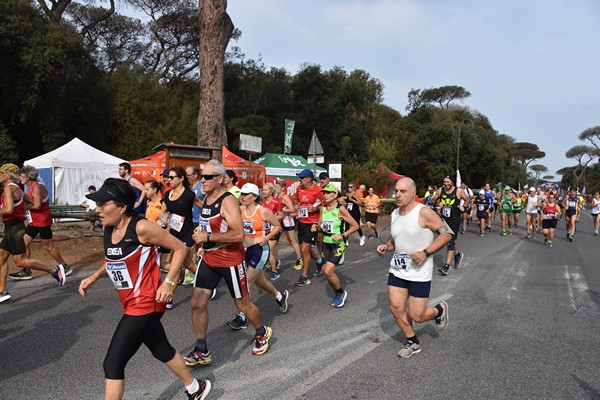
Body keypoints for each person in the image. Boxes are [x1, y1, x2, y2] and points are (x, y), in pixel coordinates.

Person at [78, 178, 211, 400]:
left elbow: (179, 248)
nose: (98, 210)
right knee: (161, 349)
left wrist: (169, 282)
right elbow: (112, 259)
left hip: (146, 302)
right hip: (131, 302)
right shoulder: (109, 229)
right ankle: (195, 388)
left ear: (122, 207)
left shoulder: (141, 227)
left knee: (112, 364)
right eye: (98, 205)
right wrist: (92, 277)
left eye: (103, 205)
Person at [184, 160, 273, 366]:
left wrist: (207, 238)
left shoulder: (228, 201)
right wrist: (201, 240)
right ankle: (201, 350)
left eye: (207, 177)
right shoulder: (207, 198)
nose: (202, 180)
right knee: (197, 303)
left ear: (220, 179)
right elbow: (209, 226)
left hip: (230, 260)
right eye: (201, 176)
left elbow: (238, 234)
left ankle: (261, 332)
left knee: (242, 304)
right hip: (209, 258)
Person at [376, 177, 452, 358]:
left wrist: (426, 252)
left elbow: (447, 234)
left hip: (420, 272)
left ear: (413, 194)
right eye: (396, 191)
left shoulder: (424, 212)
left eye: (403, 191)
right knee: (395, 307)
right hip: (398, 269)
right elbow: (397, 239)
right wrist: (387, 246)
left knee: (417, 315)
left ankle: (438, 311)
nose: (398, 195)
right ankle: (412, 342)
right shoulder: (395, 213)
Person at [0, 163, 66, 304]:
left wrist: (16, 212)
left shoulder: (8, 188)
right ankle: (2, 291)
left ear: (7, 175)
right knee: (1, 258)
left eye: (1, 173)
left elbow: (9, 210)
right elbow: (29, 203)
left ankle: (55, 271)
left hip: (14, 228)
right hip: (12, 227)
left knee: (20, 262)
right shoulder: (17, 188)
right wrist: (21, 211)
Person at [227, 183, 289, 329]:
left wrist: (265, 239)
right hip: (245, 250)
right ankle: (280, 296)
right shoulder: (239, 210)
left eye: (246, 194)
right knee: (260, 283)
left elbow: (278, 226)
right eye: (241, 194)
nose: (242, 197)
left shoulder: (263, 211)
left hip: (260, 251)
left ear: (254, 197)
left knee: (246, 282)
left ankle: (243, 317)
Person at [9, 165, 72, 281]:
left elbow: (37, 205)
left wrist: (21, 207)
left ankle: (65, 266)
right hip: (34, 222)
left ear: (28, 177)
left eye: (22, 176)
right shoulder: (30, 187)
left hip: (43, 222)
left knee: (48, 247)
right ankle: (26, 270)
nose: (20, 178)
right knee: (24, 243)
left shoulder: (37, 187)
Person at [315, 184, 359, 307]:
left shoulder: (341, 209)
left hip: (338, 245)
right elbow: (320, 225)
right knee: (326, 272)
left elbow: (355, 226)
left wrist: (342, 235)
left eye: (328, 193)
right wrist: (316, 227)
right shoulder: (323, 209)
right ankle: (337, 292)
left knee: (328, 271)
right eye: (324, 193)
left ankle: (340, 293)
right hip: (326, 243)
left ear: (335, 195)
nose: (325, 195)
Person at [162, 167, 204, 286]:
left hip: (187, 234)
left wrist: (203, 224)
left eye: (171, 177)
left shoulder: (189, 195)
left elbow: (205, 209)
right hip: (174, 233)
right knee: (188, 264)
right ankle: (207, 281)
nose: (168, 180)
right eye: (167, 177)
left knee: (175, 266)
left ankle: (168, 297)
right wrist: (164, 218)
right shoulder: (167, 194)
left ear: (181, 179)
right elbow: (165, 212)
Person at [431, 176, 470, 275]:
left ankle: (446, 266)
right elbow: (432, 201)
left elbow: (467, 199)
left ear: (452, 182)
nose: (446, 184)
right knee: (448, 241)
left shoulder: (459, 191)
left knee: (449, 242)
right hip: (444, 220)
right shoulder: (441, 190)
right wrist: (438, 203)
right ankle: (457, 255)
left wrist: (463, 207)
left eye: (448, 182)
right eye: (444, 182)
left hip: (454, 220)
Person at [293, 169, 324, 286]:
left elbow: (324, 206)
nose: (300, 180)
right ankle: (318, 260)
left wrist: (315, 209)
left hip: (312, 223)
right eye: (300, 178)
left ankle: (305, 276)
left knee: (305, 249)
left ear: (310, 178)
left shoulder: (318, 190)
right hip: (301, 221)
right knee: (303, 249)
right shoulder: (299, 188)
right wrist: (296, 203)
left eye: (302, 177)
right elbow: (296, 198)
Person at [275, 179, 303, 270]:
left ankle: (299, 259)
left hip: (287, 219)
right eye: (276, 186)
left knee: (292, 240)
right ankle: (275, 260)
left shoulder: (285, 197)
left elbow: (292, 209)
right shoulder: (276, 195)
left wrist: (283, 210)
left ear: (283, 188)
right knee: (275, 240)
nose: (276, 188)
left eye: (278, 187)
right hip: (280, 220)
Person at [260, 182, 284, 280]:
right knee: (266, 251)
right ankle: (274, 262)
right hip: (265, 230)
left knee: (269, 251)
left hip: (274, 229)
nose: (264, 192)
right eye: (263, 190)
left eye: (266, 190)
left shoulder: (276, 202)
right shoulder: (262, 202)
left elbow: (281, 215)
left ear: (271, 191)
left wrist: (272, 219)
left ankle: (274, 272)